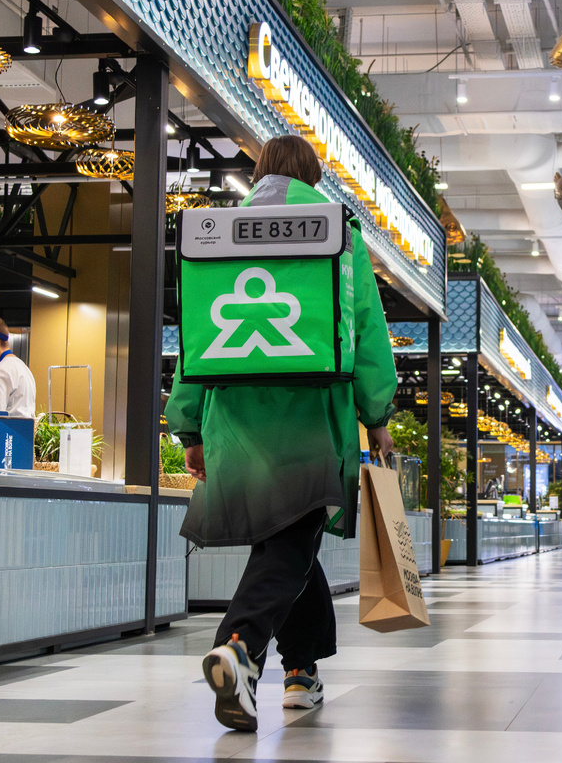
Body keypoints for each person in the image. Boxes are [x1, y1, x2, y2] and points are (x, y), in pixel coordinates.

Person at [165, 135, 398, 733]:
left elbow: (194, 339)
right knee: (294, 538)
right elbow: (366, 332)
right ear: (313, 177)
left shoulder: (214, 234)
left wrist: (188, 426)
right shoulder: (339, 234)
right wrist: (376, 416)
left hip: (234, 422)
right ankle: (240, 647)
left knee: (288, 536)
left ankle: (300, 672)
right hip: (310, 417)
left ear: (260, 173)